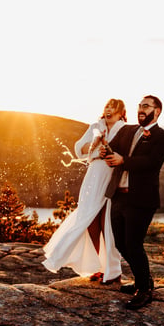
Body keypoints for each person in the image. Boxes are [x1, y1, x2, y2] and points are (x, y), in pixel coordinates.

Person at [42, 99, 126, 283]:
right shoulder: (96, 126)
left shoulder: (124, 129)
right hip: (94, 174)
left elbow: (127, 154)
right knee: (90, 221)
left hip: (112, 177)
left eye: (113, 108)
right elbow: (79, 149)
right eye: (107, 107)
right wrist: (95, 146)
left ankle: (113, 271)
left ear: (121, 112)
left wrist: (111, 152)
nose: (108, 110)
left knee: (108, 225)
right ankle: (98, 267)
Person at [103, 95, 164, 309]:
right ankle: (144, 280)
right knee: (120, 243)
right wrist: (105, 150)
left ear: (157, 111)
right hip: (118, 196)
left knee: (134, 244)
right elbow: (112, 147)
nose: (141, 109)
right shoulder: (127, 130)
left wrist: (123, 160)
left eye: (146, 106)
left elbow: (152, 162)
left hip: (142, 199)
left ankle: (144, 290)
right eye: (139, 106)